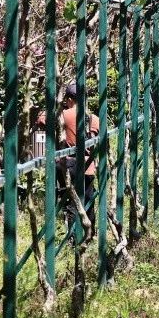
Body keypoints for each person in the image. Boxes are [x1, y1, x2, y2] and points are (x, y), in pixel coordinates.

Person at [36, 83, 99, 233]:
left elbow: (41, 119)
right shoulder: (93, 118)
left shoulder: (62, 116)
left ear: (69, 99)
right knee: (88, 200)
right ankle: (90, 233)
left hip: (67, 165)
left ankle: (72, 238)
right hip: (87, 166)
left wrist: (58, 107)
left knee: (70, 202)